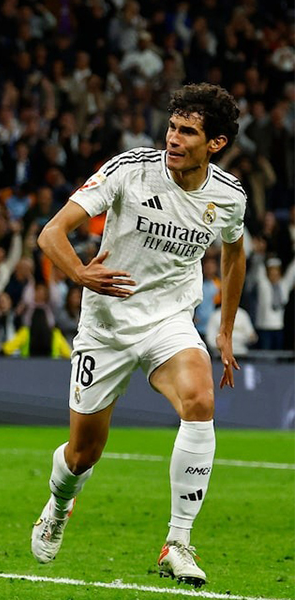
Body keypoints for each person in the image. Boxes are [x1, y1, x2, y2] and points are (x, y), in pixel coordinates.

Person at [31, 83, 247, 588]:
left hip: (170, 320)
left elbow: (234, 253)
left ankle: (178, 542)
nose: (173, 138)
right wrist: (80, 273)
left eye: (187, 132)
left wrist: (225, 329)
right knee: (83, 454)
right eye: (172, 127)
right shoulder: (130, 169)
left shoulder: (228, 196)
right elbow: (50, 233)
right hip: (106, 326)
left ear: (215, 144)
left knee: (200, 399)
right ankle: (59, 505)